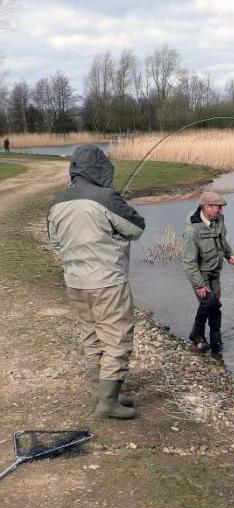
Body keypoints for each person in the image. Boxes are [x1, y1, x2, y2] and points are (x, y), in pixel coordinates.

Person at [48, 144, 145, 419]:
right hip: (108, 281)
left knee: (91, 335)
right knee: (116, 336)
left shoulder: (57, 200)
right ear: (101, 168)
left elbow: (55, 241)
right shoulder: (106, 197)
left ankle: (101, 392)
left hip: (75, 282)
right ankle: (108, 403)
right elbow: (136, 228)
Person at [181, 191, 234, 355]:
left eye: (221, 208)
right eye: (218, 208)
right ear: (206, 207)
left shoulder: (218, 220)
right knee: (208, 302)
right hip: (201, 274)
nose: (221, 211)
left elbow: (222, 240)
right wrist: (199, 284)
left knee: (215, 305)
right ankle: (196, 335)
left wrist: (229, 254)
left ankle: (215, 340)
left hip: (215, 272)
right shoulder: (192, 231)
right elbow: (188, 262)